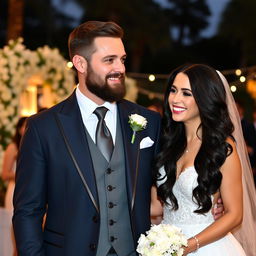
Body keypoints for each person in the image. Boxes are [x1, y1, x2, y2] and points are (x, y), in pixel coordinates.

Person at [12, 21, 162, 256]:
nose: (120, 68)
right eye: (109, 60)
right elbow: (27, 211)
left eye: (122, 59)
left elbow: (170, 180)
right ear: (81, 63)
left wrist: (209, 199)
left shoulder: (148, 122)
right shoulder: (44, 127)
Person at [151, 63, 256, 255]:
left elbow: (235, 215)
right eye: (173, 90)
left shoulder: (221, 148)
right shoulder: (169, 143)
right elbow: (157, 205)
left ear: (205, 99)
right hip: (165, 244)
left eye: (186, 93)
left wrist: (188, 246)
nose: (175, 99)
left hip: (207, 246)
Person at [1, 116, 27, 256]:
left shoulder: (31, 144)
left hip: (28, 190)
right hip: (15, 189)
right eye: (24, 126)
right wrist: (24, 174)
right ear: (19, 128)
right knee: (16, 231)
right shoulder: (13, 147)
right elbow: (4, 174)